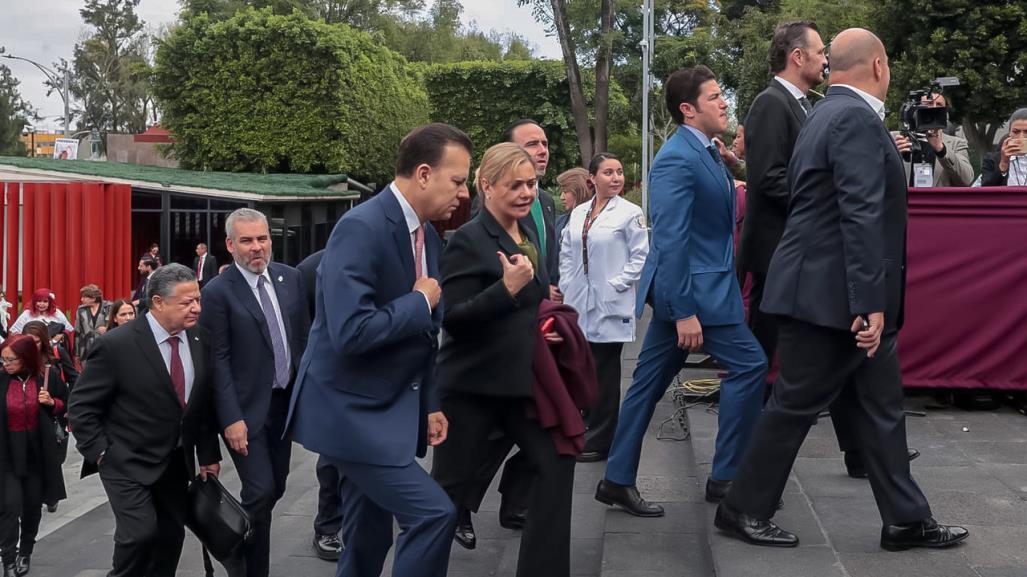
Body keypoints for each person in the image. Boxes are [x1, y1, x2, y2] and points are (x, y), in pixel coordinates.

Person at [715, 29, 969, 552]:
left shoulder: (825, 112)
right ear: (878, 66)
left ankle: (905, 519)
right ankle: (741, 508)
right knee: (794, 406)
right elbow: (860, 213)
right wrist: (869, 302)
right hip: (830, 299)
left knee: (881, 407)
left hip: (829, 291)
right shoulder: (852, 118)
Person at [286, 123, 470, 577]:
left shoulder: (427, 233)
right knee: (433, 515)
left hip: (385, 412)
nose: (463, 194)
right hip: (350, 415)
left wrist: (429, 403)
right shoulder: (361, 227)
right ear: (424, 174)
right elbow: (351, 332)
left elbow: (424, 333)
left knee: (367, 536)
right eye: (459, 180)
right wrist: (419, 300)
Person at [594, 65, 768, 516]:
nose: (725, 102)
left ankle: (616, 479)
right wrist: (684, 310)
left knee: (646, 386)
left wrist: (730, 165)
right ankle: (726, 476)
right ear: (688, 110)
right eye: (715, 97)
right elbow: (670, 238)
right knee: (751, 366)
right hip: (696, 294)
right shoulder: (675, 158)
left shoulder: (705, 150)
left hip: (695, 289)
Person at [431, 142, 577, 575]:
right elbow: (454, 319)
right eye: (514, 185)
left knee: (557, 462)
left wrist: (545, 321)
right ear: (487, 186)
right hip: (472, 389)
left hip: (521, 384)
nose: (526, 193)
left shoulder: (526, 233)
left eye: (531, 183)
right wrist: (506, 289)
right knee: (446, 499)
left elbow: (530, 300)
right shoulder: (466, 241)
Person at [70, 264, 222, 577]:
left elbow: (202, 403)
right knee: (139, 533)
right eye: (186, 302)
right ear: (157, 302)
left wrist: (208, 455)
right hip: (125, 460)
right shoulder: (117, 345)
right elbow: (82, 406)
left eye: (197, 300)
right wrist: (101, 452)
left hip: (175, 462)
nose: (196, 308)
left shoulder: (200, 339)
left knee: (171, 537)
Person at [199, 208, 310, 577]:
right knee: (260, 491)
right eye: (247, 240)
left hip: (284, 405)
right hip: (245, 411)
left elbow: (302, 340)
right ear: (230, 245)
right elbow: (218, 361)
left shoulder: (290, 279)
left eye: (262, 238)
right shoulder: (217, 293)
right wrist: (231, 418)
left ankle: (238, 545)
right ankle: (244, 564)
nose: (257, 247)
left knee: (274, 488)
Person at [558, 153, 649, 462]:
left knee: (605, 371)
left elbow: (640, 256)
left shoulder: (630, 212)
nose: (616, 177)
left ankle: (601, 438)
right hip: (580, 301)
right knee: (584, 365)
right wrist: (568, 284)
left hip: (611, 302)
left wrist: (617, 284)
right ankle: (586, 426)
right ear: (592, 179)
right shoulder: (580, 212)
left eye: (620, 172)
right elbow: (568, 250)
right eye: (608, 172)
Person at [0, 334, 67, 577]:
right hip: (7, 452)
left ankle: (25, 550)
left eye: (11, 360)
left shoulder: (45, 377)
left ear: (26, 357)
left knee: (31, 506)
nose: (5, 364)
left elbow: (67, 405)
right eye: (3, 359)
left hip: (37, 453)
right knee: (8, 506)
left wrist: (52, 403)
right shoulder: (1, 380)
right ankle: (7, 558)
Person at [295, 249, 344, 562]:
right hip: (331, 379)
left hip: (378, 378)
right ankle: (327, 527)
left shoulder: (390, 259)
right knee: (332, 460)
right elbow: (301, 328)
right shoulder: (311, 269)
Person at [893, 92, 974, 187]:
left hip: (937, 201)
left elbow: (967, 180)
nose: (934, 108)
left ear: (946, 114)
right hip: (905, 201)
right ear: (915, 109)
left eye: (939, 105)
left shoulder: (957, 143)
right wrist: (892, 155)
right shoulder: (895, 139)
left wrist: (941, 149)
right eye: (928, 103)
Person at [981, 108, 1027, 186]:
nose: (1021, 137)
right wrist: (1003, 164)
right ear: (1009, 133)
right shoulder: (992, 160)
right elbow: (986, 190)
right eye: (1016, 132)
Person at [555, 167, 593, 252]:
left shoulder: (598, 222)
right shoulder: (560, 221)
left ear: (579, 191)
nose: (561, 197)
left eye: (565, 191)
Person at [9, 289, 73, 336]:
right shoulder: (27, 314)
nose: (42, 304)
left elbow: (68, 329)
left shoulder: (57, 313)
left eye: (45, 301)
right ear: (34, 302)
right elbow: (14, 332)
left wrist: (61, 336)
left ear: (50, 302)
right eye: (39, 301)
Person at [74, 284, 111, 360]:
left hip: (104, 346)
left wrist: (107, 329)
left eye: (84, 297)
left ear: (93, 298)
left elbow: (116, 326)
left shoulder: (108, 307)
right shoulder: (80, 310)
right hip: (85, 349)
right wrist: (77, 353)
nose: (81, 299)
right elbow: (77, 331)